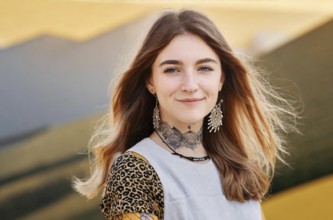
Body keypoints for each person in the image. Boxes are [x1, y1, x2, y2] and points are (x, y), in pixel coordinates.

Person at [73, 9, 297, 220]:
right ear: (151, 81)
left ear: (221, 79)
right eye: (172, 69)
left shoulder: (239, 167)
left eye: (204, 68)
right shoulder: (135, 170)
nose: (190, 84)